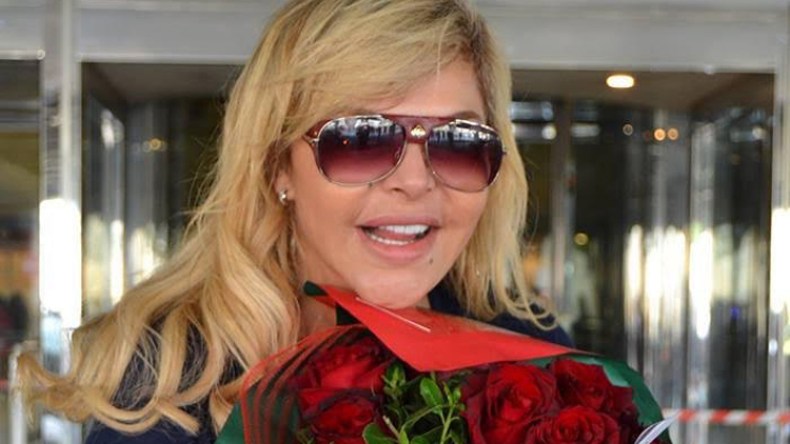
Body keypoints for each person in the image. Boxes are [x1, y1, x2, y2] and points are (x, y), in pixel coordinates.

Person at [18, 0, 571, 442]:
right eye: (359, 138)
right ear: (277, 164)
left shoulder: (534, 352)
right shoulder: (166, 381)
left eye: (459, 142)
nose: (415, 181)